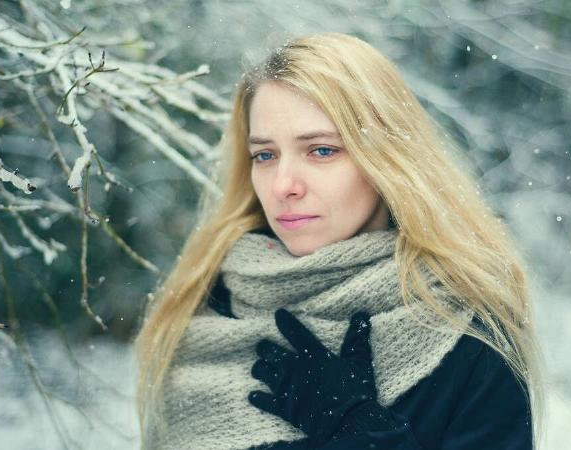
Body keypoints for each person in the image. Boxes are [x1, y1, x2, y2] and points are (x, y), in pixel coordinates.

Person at [133, 32, 546, 450]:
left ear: (385, 158)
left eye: (321, 151)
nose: (283, 185)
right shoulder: (204, 307)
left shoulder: (464, 336)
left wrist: (363, 434)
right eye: (265, 155)